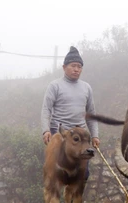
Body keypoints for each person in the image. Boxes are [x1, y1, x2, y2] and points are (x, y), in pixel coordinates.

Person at [41, 46, 100, 182]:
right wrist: (45, 131)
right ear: (64, 67)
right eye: (73, 65)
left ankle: (73, 202)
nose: (76, 69)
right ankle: (54, 201)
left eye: (79, 66)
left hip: (81, 136)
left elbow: (91, 113)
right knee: (57, 172)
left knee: (82, 174)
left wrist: (95, 135)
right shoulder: (55, 86)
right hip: (60, 133)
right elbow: (46, 109)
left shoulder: (86, 88)